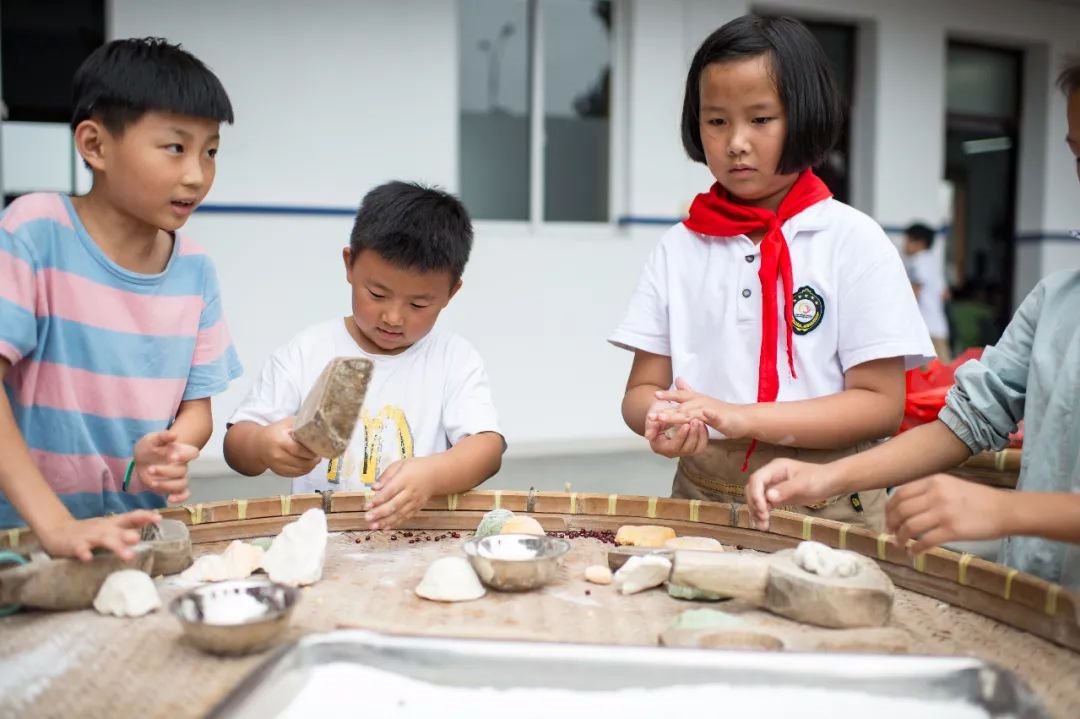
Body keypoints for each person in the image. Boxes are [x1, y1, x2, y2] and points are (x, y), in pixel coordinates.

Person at [745, 60, 1080, 590]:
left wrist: (1008, 512)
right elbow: (967, 420)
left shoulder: (858, 240)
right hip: (1040, 602)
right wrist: (825, 476)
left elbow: (881, 400)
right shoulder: (1058, 302)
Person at [609, 15, 934, 531]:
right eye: (717, 121)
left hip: (831, 506)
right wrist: (659, 419)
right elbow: (641, 389)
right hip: (702, 500)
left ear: (805, 117)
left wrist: (741, 418)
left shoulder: (854, 241)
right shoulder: (679, 247)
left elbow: (880, 406)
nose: (736, 141)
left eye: (761, 119)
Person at [0, 38, 242, 559]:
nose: (197, 174)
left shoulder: (196, 268)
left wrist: (175, 447)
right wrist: (57, 526)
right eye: (175, 147)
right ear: (95, 146)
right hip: (25, 540)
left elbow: (197, 411)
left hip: (135, 537)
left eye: (211, 151)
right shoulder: (35, 230)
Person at [224, 181, 504, 530]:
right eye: (377, 294)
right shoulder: (307, 351)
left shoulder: (454, 359)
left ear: (451, 293)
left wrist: (433, 474)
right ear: (350, 265)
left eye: (418, 304)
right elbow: (236, 446)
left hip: (418, 544)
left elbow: (487, 449)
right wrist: (263, 445)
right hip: (324, 544)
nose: (393, 317)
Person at [902, 222, 950, 362]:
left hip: (925, 327)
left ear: (919, 242)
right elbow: (945, 294)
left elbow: (915, 291)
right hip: (938, 325)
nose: (904, 245)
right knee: (942, 370)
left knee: (928, 371)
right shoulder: (932, 261)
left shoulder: (919, 260)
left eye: (907, 240)